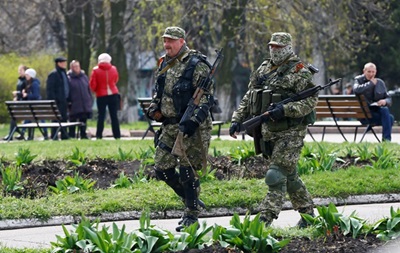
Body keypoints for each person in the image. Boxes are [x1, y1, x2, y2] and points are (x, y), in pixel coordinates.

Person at [229, 32, 317, 228]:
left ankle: (264, 220)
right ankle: (309, 216)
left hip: (291, 132)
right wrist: (237, 119)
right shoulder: (264, 68)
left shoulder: (300, 70)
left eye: (278, 47)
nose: (274, 50)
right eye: (272, 46)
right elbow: (250, 96)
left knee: (275, 175)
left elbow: (310, 100)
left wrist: (285, 109)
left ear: (287, 47)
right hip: (267, 131)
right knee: (290, 176)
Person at [147, 26, 214, 232]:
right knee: (162, 169)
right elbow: (160, 91)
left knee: (188, 171)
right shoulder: (164, 63)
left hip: (193, 126)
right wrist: (154, 107)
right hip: (170, 125)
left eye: (171, 41)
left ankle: (191, 216)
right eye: (165, 40)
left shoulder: (196, 64)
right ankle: (191, 200)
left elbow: (206, 97)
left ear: (182, 41)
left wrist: (193, 121)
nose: (167, 45)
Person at [353, 62, 394, 141]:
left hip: (376, 112)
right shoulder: (358, 80)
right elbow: (356, 90)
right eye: (369, 71)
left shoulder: (380, 82)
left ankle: (386, 140)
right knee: (390, 118)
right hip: (364, 115)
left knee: (387, 113)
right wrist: (370, 83)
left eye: (373, 72)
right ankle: (386, 140)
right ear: (364, 71)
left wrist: (385, 101)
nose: (371, 74)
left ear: (376, 72)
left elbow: (388, 98)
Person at [89, 53, 121, 139]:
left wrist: (96, 90)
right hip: (113, 94)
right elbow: (116, 79)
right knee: (114, 116)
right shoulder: (114, 69)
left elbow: (93, 84)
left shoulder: (95, 70)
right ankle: (117, 135)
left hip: (101, 95)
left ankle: (99, 135)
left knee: (101, 116)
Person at [67, 60, 93, 139]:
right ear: (71, 68)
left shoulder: (84, 77)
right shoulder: (69, 78)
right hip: (74, 103)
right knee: (73, 120)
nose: (76, 68)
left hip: (84, 102)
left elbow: (88, 89)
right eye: (74, 67)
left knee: (83, 120)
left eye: (77, 66)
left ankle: (83, 134)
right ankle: (71, 135)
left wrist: (89, 99)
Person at [46, 56, 70, 140]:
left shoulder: (64, 73)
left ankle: (64, 135)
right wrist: (54, 101)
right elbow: (50, 89)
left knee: (64, 119)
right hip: (57, 102)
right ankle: (54, 135)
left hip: (64, 101)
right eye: (63, 62)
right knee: (56, 120)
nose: (64, 64)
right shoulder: (54, 74)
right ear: (58, 63)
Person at [3, 65, 28, 141]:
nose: (19, 72)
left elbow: (26, 92)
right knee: (13, 116)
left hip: (24, 103)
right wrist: (16, 97)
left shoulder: (26, 80)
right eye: (19, 70)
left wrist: (18, 94)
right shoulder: (19, 80)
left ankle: (12, 134)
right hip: (19, 101)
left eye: (21, 70)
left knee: (13, 116)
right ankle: (16, 132)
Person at [22, 68, 48, 140]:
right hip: (33, 105)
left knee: (40, 119)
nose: (26, 76)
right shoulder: (30, 83)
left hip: (36, 105)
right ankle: (23, 133)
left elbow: (36, 95)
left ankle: (23, 132)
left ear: (31, 75)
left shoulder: (34, 84)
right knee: (29, 118)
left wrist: (27, 95)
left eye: (27, 75)